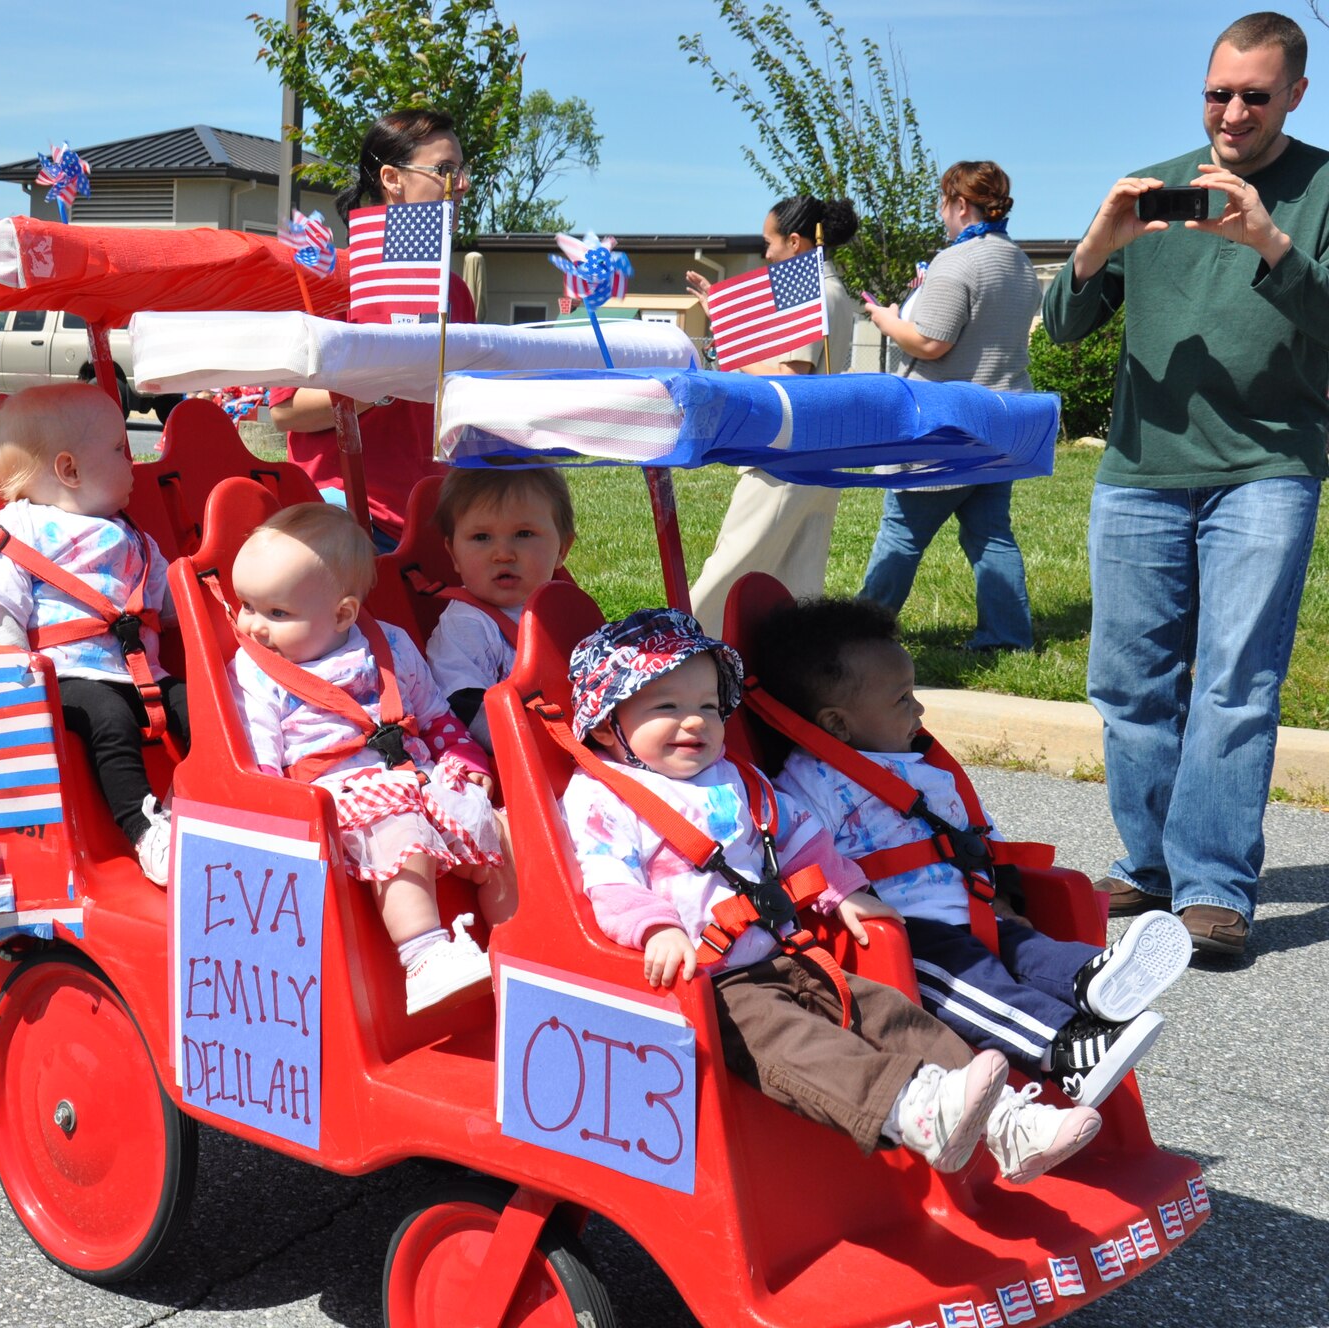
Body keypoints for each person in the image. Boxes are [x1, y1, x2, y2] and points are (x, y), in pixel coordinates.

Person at [557, 607, 1102, 1183]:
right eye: (666, 707)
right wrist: (656, 927)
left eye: (709, 708)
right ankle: (908, 1112)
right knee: (796, 1043)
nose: (694, 723)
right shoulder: (606, 797)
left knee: (890, 1013)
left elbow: (799, 837)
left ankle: (1010, 1124)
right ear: (604, 724)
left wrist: (843, 890)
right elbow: (608, 880)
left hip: (787, 950)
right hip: (711, 984)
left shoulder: (734, 778)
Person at [1041, 11, 1328, 958]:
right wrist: (1097, 244)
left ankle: (1211, 885)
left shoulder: (1321, 187)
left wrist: (1271, 247)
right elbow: (1068, 325)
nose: (1233, 112)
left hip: (1265, 468)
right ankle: (1151, 863)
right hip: (1140, 469)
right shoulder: (1159, 184)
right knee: (1128, 682)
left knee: (1236, 685)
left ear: (1296, 92)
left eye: (1255, 94)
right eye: (1218, 92)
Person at [758, 596, 1193, 1108]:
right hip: (905, 933)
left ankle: (1094, 980)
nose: (918, 710)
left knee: (1030, 950)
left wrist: (1002, 895)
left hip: (975, 909)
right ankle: (1064, 1048)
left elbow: (976, 833)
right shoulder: (811, 780)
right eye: (902, 699)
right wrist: (845, 895)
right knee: (976, 979)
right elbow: (798, 851)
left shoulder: (923, 766)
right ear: (837, 724)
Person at [229, 503, 504, 1015]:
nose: (253, 626)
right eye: (245, 605)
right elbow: (261, 761)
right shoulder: (256, 671)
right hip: (340, 801)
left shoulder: (389, 645)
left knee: (499, 828)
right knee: (397, 826)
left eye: (276, 613)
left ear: (343, 614)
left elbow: (435, 714)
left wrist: (468, 761)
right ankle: (423, 957)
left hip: (415, 777)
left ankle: (516, 947)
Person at [0, 383, 186, 884]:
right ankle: (145, 829)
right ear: (69, 470)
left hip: (142, 673)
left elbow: (170, 606)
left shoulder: (129, 532)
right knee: (108, 721)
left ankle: (197, 804)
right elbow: (3, 599)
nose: (132, 462)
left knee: (205, 707)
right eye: (119, 449)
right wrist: (15, 660)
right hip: (71, 677)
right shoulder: (18, 528)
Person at [265, 109, 478, 549]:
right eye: (445, 170)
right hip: (350, 518)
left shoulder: (454, 291)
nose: (461, 185)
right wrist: (381, 384)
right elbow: (284, 410)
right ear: (391, 178)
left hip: (440, 519)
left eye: (462, 171)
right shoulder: (327, 279)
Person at [858, 163, 1042, 652]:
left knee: (900, 534)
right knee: (990, 535)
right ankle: (1007, 637)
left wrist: (886, 318)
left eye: (943, 203)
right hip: (1002, 423)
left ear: (960, 204)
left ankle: (860, 635)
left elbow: (929, 342)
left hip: (944, 424)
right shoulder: (1018, 262)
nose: (942, 214)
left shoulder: (956, 261)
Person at [686, 196, 861, 637]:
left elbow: (790, 376)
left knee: (729, 570)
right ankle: (788, 672)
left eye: (770, 243)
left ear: (796, 242)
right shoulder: (833, 289)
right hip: (819, 449)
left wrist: (727, 336)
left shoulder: (811, 291)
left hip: (785, 452)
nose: (767, 254)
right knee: (798, 584)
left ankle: (673, 649)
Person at [425, 466, 575, 749]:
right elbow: (463, 704)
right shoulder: (466, 623)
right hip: (517, 757)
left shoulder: (562, 609)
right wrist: (530, 746)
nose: (503, 554)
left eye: (524, 533)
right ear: (453, 554)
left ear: (562, 549)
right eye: (482, 537)